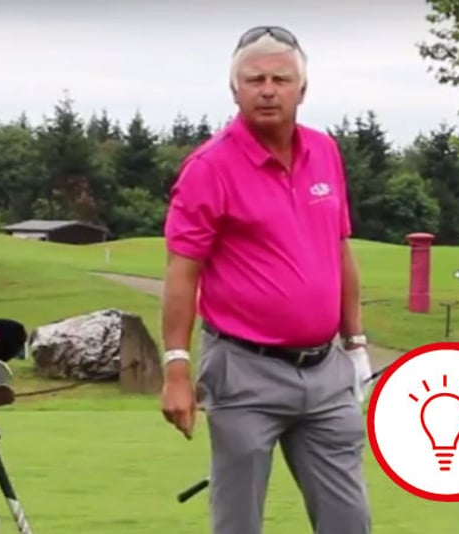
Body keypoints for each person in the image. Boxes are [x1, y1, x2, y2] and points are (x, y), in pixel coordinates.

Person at [159, 25, 374, 534]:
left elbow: (338, 250)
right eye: (255, 79)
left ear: (303, 88)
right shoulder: (209, 168)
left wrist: (357, 342)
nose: (269, 89)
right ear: (235, 89)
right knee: (239, 522)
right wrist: (176, 369)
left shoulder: (325, 152)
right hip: (243, 370)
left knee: (349, 519)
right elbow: (181, 273)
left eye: (281, 78)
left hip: (326, 373)